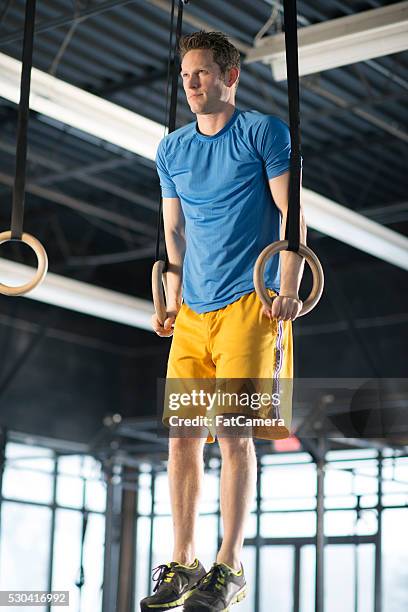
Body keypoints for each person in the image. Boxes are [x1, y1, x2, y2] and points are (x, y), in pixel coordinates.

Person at [141, 30, 306, 612]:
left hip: (249, 304)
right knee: (181, 436)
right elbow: (174, 230)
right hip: (193, 314)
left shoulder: (263, 133)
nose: (191, 83)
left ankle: (228, 564)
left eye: (203, 73)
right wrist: (171, 295)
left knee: (234, 435)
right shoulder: (172, 150)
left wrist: (287, 291)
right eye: (186, 74)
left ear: (230, 77)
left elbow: (292, 215)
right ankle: (183, 561)